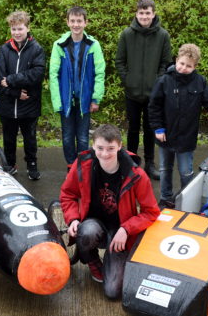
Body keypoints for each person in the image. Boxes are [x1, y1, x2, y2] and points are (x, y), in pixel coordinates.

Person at [60, 124, 160, 299]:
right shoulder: (82, 164)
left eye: (110, 149)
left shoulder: (136, 174)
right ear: (93, 145)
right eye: (100, 148)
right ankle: (92, 261)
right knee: (86, 231)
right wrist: (73, 219)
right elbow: (67, 194)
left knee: (113, 292)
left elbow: (151, 212)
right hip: (93, 224)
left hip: (119, 231)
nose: (104, 154)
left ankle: (113, 260)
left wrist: (127, 229)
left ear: (120, 146)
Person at [149, 44, 208, 209]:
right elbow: (154, 106)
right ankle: (165, 198)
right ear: (176, 61)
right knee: (165, 169)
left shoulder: (200, 82)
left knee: (185, 171)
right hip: (165, 135)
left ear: (195, 66)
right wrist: (158, 128)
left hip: (186, 137)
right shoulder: (164, 80)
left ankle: (185, 199)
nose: (184, 68)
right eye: (181, 64)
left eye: (189, 66)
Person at [115, 0, 172, 180]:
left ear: (153, 14)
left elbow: (166, 63)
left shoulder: (163, 35)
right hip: (132, 93)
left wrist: (158, 82)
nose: (144, 16)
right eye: (141, 13)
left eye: (148, 13)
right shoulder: (126, 34)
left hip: (153, 94)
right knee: (132, 129)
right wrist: (128, 80)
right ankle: (131, 163)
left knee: (150, 129)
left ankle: (150, 164)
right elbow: (119, 61)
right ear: (136, 14)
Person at [49, 6, 105, 171]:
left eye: (79, 21)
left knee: (82, 137)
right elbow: (53, 75)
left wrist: (95, 98)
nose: (76, 24)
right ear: (67, 22)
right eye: (72, 21)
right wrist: (57, 101)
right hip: (66, 100)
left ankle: (83, 167)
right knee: (67, 137)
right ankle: (71, 167)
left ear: (85, 23)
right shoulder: (59, 45)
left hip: (85, 100)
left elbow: (99, 74)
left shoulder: (93, 45)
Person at [0, 10, 45, 180]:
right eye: (14, 29)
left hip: (29, 104)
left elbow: (36, 75)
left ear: (27, 28)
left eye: (20, 29)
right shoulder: (4, 50)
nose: (17, 33)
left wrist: (12, 79)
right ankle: (10, 165)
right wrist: (15, 92)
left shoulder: (36, 49)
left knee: (30, 138)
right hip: (8, 103)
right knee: (9, 138)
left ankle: (32, 165)